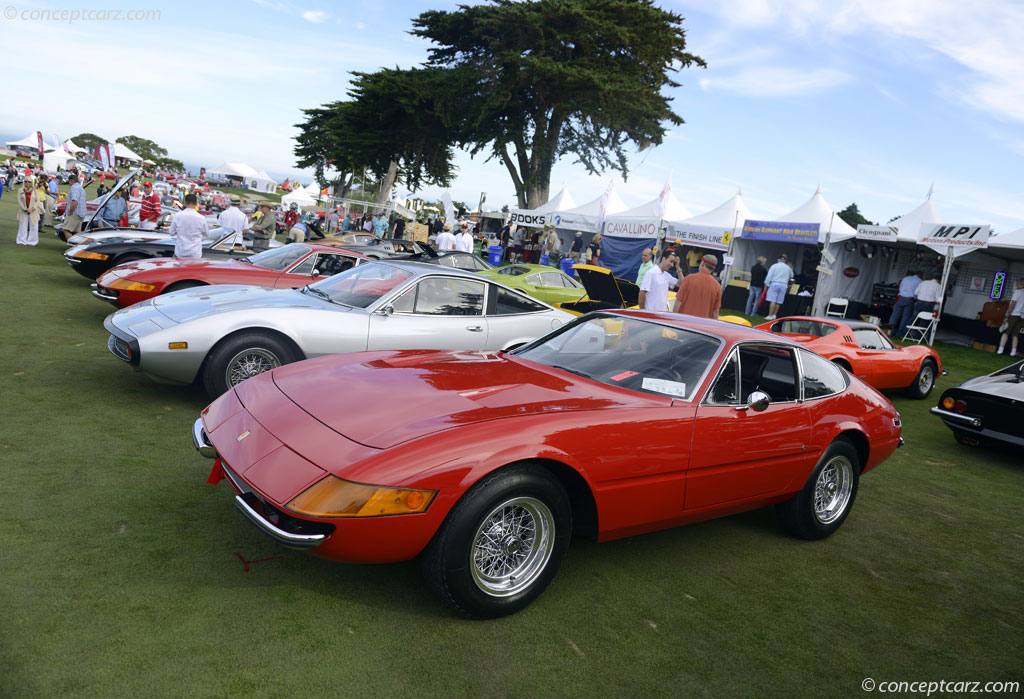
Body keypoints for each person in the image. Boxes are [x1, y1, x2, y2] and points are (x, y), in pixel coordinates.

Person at [673, 254, 722, 319]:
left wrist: (673, 320)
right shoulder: (717, 286)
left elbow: (678, 302)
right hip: (702, 326)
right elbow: (715, 312)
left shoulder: (689, 279)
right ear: (713, 269)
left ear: (702, 264)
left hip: (683, 323)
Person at [168, 193, 208, 258]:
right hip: (195, 253)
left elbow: (171, 233)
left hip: (181, 252)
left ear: (185, 202)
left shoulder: (178, 216)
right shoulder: (201, 218)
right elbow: (206, 234)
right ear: (196, 204)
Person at [889, 269, 923, 336]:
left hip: (901, 298)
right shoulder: (920, 281)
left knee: (894, 316)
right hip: (910, 299)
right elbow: (918, 292)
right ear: (921, 276)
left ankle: (890, 331)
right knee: (905, 317)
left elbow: (900, 288)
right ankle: (900, 333)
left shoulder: (905, 278)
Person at [763, 253, 794, 320]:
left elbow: (769, 276)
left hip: (775, 283)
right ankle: (774, 315)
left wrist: (766, 284)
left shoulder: (774, 266)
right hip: (783, 285)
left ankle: (770, 315)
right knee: (779, 301)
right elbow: (792, 276)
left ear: (778, 260)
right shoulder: (788, 268)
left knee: (773, 300)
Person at [997, 279, 1024, 357]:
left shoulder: (1018, 292)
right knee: (1015, 335)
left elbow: (1012, 304)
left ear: (1020, 284)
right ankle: (1013, 352)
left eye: (1017, 284)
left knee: (1006, 332)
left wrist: (1007, 316)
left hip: (1014, 314)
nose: (1016, 286)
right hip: (1022, 316)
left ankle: (1000, 350)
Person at [15, 177, 43, 245]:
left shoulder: (35, 191)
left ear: (31, 183)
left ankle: (32, 241)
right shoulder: (20, 190)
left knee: (34, 226)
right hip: (23, 210)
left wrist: (32, 208)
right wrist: (24, 208)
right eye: (26, 181)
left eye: (29, 182)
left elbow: (37, 201)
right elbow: (19, 200)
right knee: (22, 225)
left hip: (33, 211)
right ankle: (21, 240)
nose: (27, 183)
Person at [62, 173, 87, 241]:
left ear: (71, 181)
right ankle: (78, 247)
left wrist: (70, 212)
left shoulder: (74, 188)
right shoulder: (81, 188)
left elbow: (74, 202)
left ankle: (74, 247)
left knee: (65, 229)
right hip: (81, 214)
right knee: (76, 233)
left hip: (74, 213)